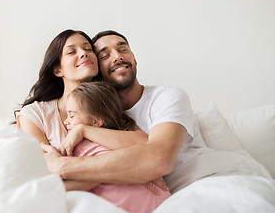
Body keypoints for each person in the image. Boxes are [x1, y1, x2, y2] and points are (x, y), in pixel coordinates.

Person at [41, 30, 210, 188]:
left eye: (123, 49)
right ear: (97, 70)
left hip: (201, 181)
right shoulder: (101, 116)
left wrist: (64, 165)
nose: (117, 57)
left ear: (134, 58)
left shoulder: (168, 97)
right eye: (105, 55)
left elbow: (160, 159)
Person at [16, 29, 152, 191]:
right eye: (72, 51)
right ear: (57, 70)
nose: (83, 53)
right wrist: (116, 171)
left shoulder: (105, 101)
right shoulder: (35, 114)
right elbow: (44, 175)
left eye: (88, 49)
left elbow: (146, 145)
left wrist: (83, 130)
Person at [63, 81, 171, 213]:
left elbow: (147, 144)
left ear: (96, 121)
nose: (65, 121)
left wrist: (82, 130)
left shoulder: (82, 143)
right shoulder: (79, 141)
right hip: (160, 202)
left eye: (72, 115)